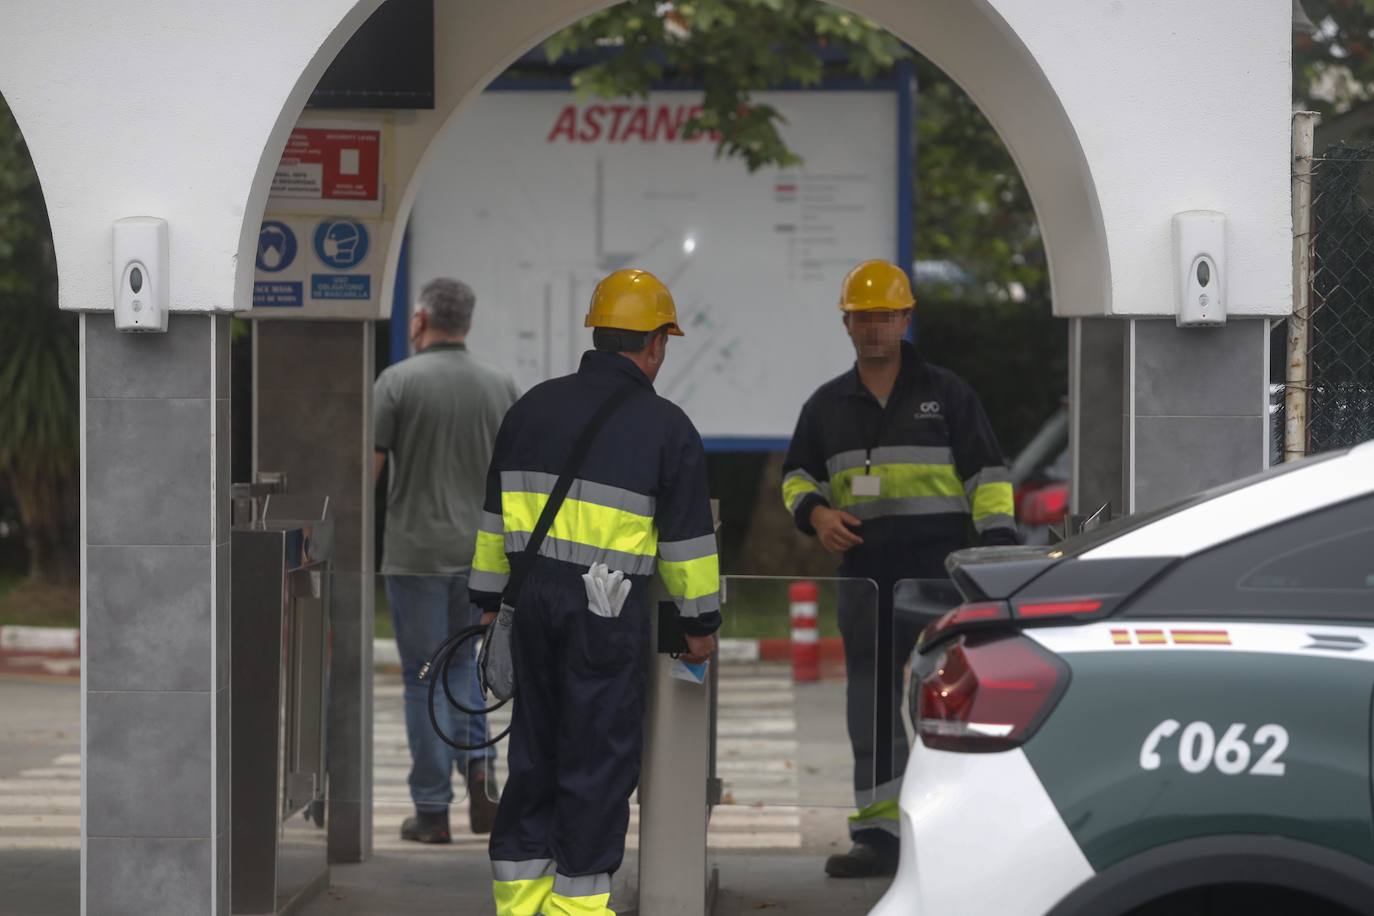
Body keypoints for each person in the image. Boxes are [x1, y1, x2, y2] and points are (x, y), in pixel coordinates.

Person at [470, 268, 721, 916]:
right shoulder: (666, 428)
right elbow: (688, 546)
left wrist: (488, 603)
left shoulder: (529, 409)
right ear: (656, 344)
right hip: (605, 615)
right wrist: (701, 625)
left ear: (598, 334)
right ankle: (576, 910)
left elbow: (494, 523)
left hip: (527, 610)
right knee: (597, 763)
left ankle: (519, 903)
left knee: (533, 756)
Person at [781, 259, 1018, 878]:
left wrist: (995, 556)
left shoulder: (948, 396)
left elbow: (990, 479)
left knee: (950, 703)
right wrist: (816, 515)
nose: (874, 329)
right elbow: (796, 477)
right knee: (871, 707)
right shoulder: (825, 405)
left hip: (938, 584)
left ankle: (952, 830)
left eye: (886, 317)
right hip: (864, 580)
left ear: (906, 319)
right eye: (863, 318)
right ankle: (878, 835)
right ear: (847, 324)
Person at [373, 277, 520, 843]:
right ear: (468, 321)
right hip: (483, 556)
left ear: (419, 320)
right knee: (465, 668)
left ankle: (432, 811)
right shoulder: (500, 385)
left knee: (421, 677)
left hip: (415, 554)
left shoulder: (397, 382)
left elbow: (372, 465)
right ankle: (482, 782)